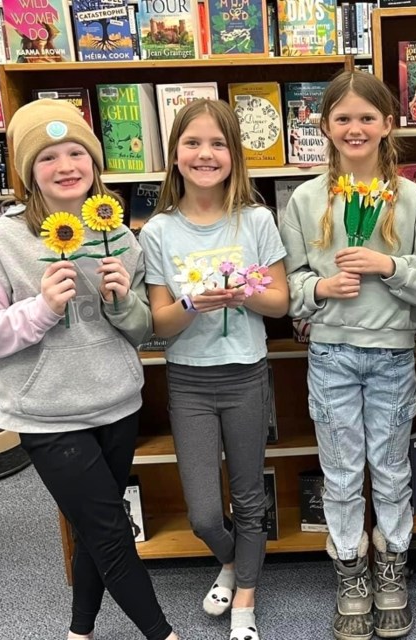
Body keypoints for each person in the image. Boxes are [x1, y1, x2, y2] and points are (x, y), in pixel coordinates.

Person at [0, 99, 179, 640]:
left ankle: (80, 630)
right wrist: (41, 310)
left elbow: (141, 329)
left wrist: (122, 301)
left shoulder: (117, 234)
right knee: (111, 529)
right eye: (48, 157)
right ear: (28, 173)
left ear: (95, 164)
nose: (66, 165)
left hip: (117, 403)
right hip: (48, 414)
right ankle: (163, 633)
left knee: (92, 528)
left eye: (77, 152)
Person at [280, 70, 416, 640]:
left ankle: (392, 565)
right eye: (343, 118)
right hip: (330, 355)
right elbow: (287, 285)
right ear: (324, 126)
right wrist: (320, 289)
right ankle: (350, 570)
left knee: (392, 469)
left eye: (367, 117)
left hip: (393, 357)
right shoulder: (304, 199)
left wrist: (389, 267)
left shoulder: (410, 196)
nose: (355, 128)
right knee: (343, 471)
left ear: (388, 125)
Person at [138, 98, 289, 640]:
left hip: (246, 373)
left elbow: (281, 303)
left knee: (249, 495)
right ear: (175, 155)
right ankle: (230, 560)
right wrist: (193, 304)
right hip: (189, 380)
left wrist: (243, 293)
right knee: (204, 512)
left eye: (218, 143)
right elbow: (159, 323)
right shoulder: (157, 231)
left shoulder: (256, 219)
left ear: (235, 155)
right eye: (193, 143)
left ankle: (245, 600)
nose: (206, 154)